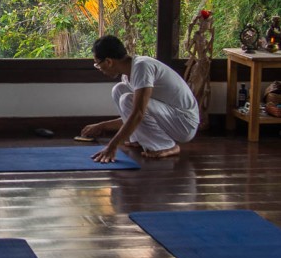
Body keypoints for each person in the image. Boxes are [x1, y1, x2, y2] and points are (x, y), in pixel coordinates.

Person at [82, 35, 199, 163]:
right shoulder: (128, 75)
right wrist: (102, 126)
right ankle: (138, 138)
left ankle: (167, 146)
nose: (100, 69)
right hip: (172, 118)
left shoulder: (142, 67)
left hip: (185, 124)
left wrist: (112, 146)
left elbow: (138, 113)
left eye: (98, 65)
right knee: (119, 90)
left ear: (109, 62)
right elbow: (136, 115)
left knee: (127, 99)